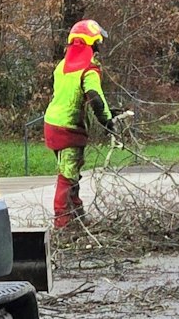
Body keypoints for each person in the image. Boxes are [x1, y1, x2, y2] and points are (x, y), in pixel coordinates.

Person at [44, 19, 125, 229]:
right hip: (68, 128)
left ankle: (78, 217)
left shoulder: (62, 65)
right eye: (97, 44)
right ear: (91, 44)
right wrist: (107, 121)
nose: (98, 49)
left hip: (52, 123)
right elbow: (94, 97)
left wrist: (109, 110)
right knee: (67, 175)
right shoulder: (89, 68)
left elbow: (72, 94)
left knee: (71, 171)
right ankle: (62, 224)